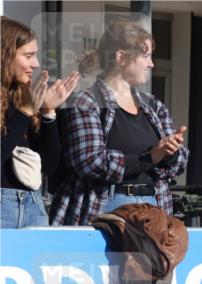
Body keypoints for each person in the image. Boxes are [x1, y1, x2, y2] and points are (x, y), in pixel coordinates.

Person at [50, 18, 187, 226]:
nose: (151, 64)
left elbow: (180, 161)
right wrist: (149, 157)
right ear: (121, 57)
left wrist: (171, 150)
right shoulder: (86, 102)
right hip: (107, 206)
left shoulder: (153, 105)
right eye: (146, 56)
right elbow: (90, 162)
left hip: (154, 205)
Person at [1, 17, 79, 228]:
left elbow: (48, 165)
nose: (35, 64)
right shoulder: (23, 106)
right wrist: (26, 111)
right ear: (5, 55)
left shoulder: (22, 98)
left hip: (33, 205)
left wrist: (48, 112)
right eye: (28, 56)